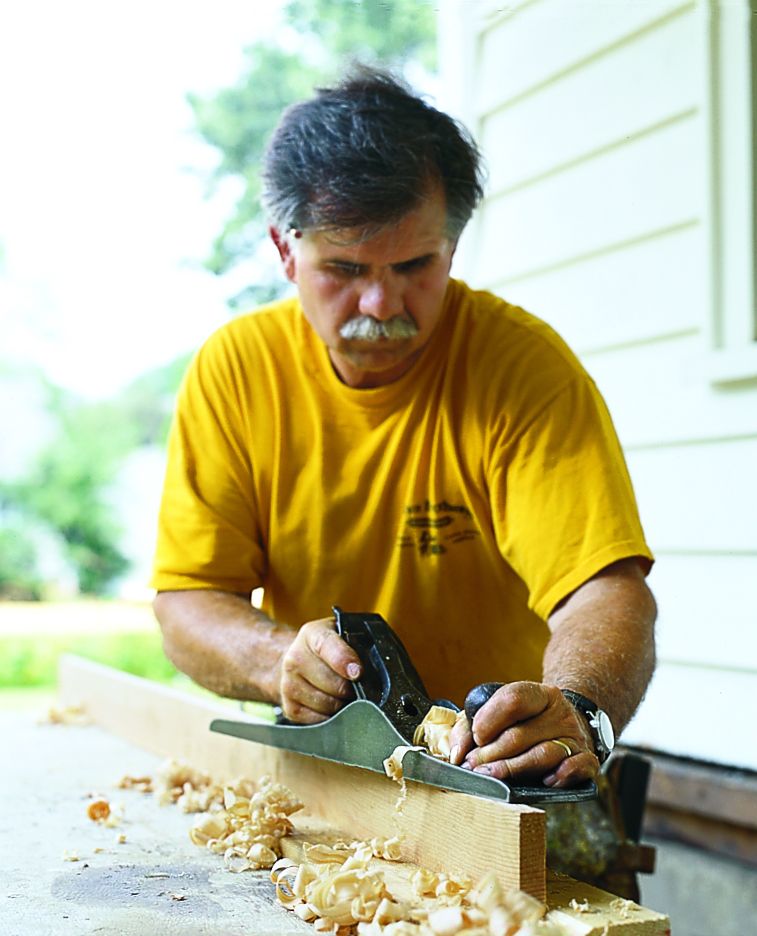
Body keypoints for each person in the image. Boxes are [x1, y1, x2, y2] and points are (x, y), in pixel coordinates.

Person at [152, 67, 656, 798]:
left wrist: (576, 710)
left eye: (415, 265)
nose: (381, 302)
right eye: (345, 268)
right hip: (323, 786)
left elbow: (604, 588)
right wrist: (277, 663)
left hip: (512, 785)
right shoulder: (236, 370)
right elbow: (188, 598)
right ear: (285, 249)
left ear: (450, 248)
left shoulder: (521, 368)